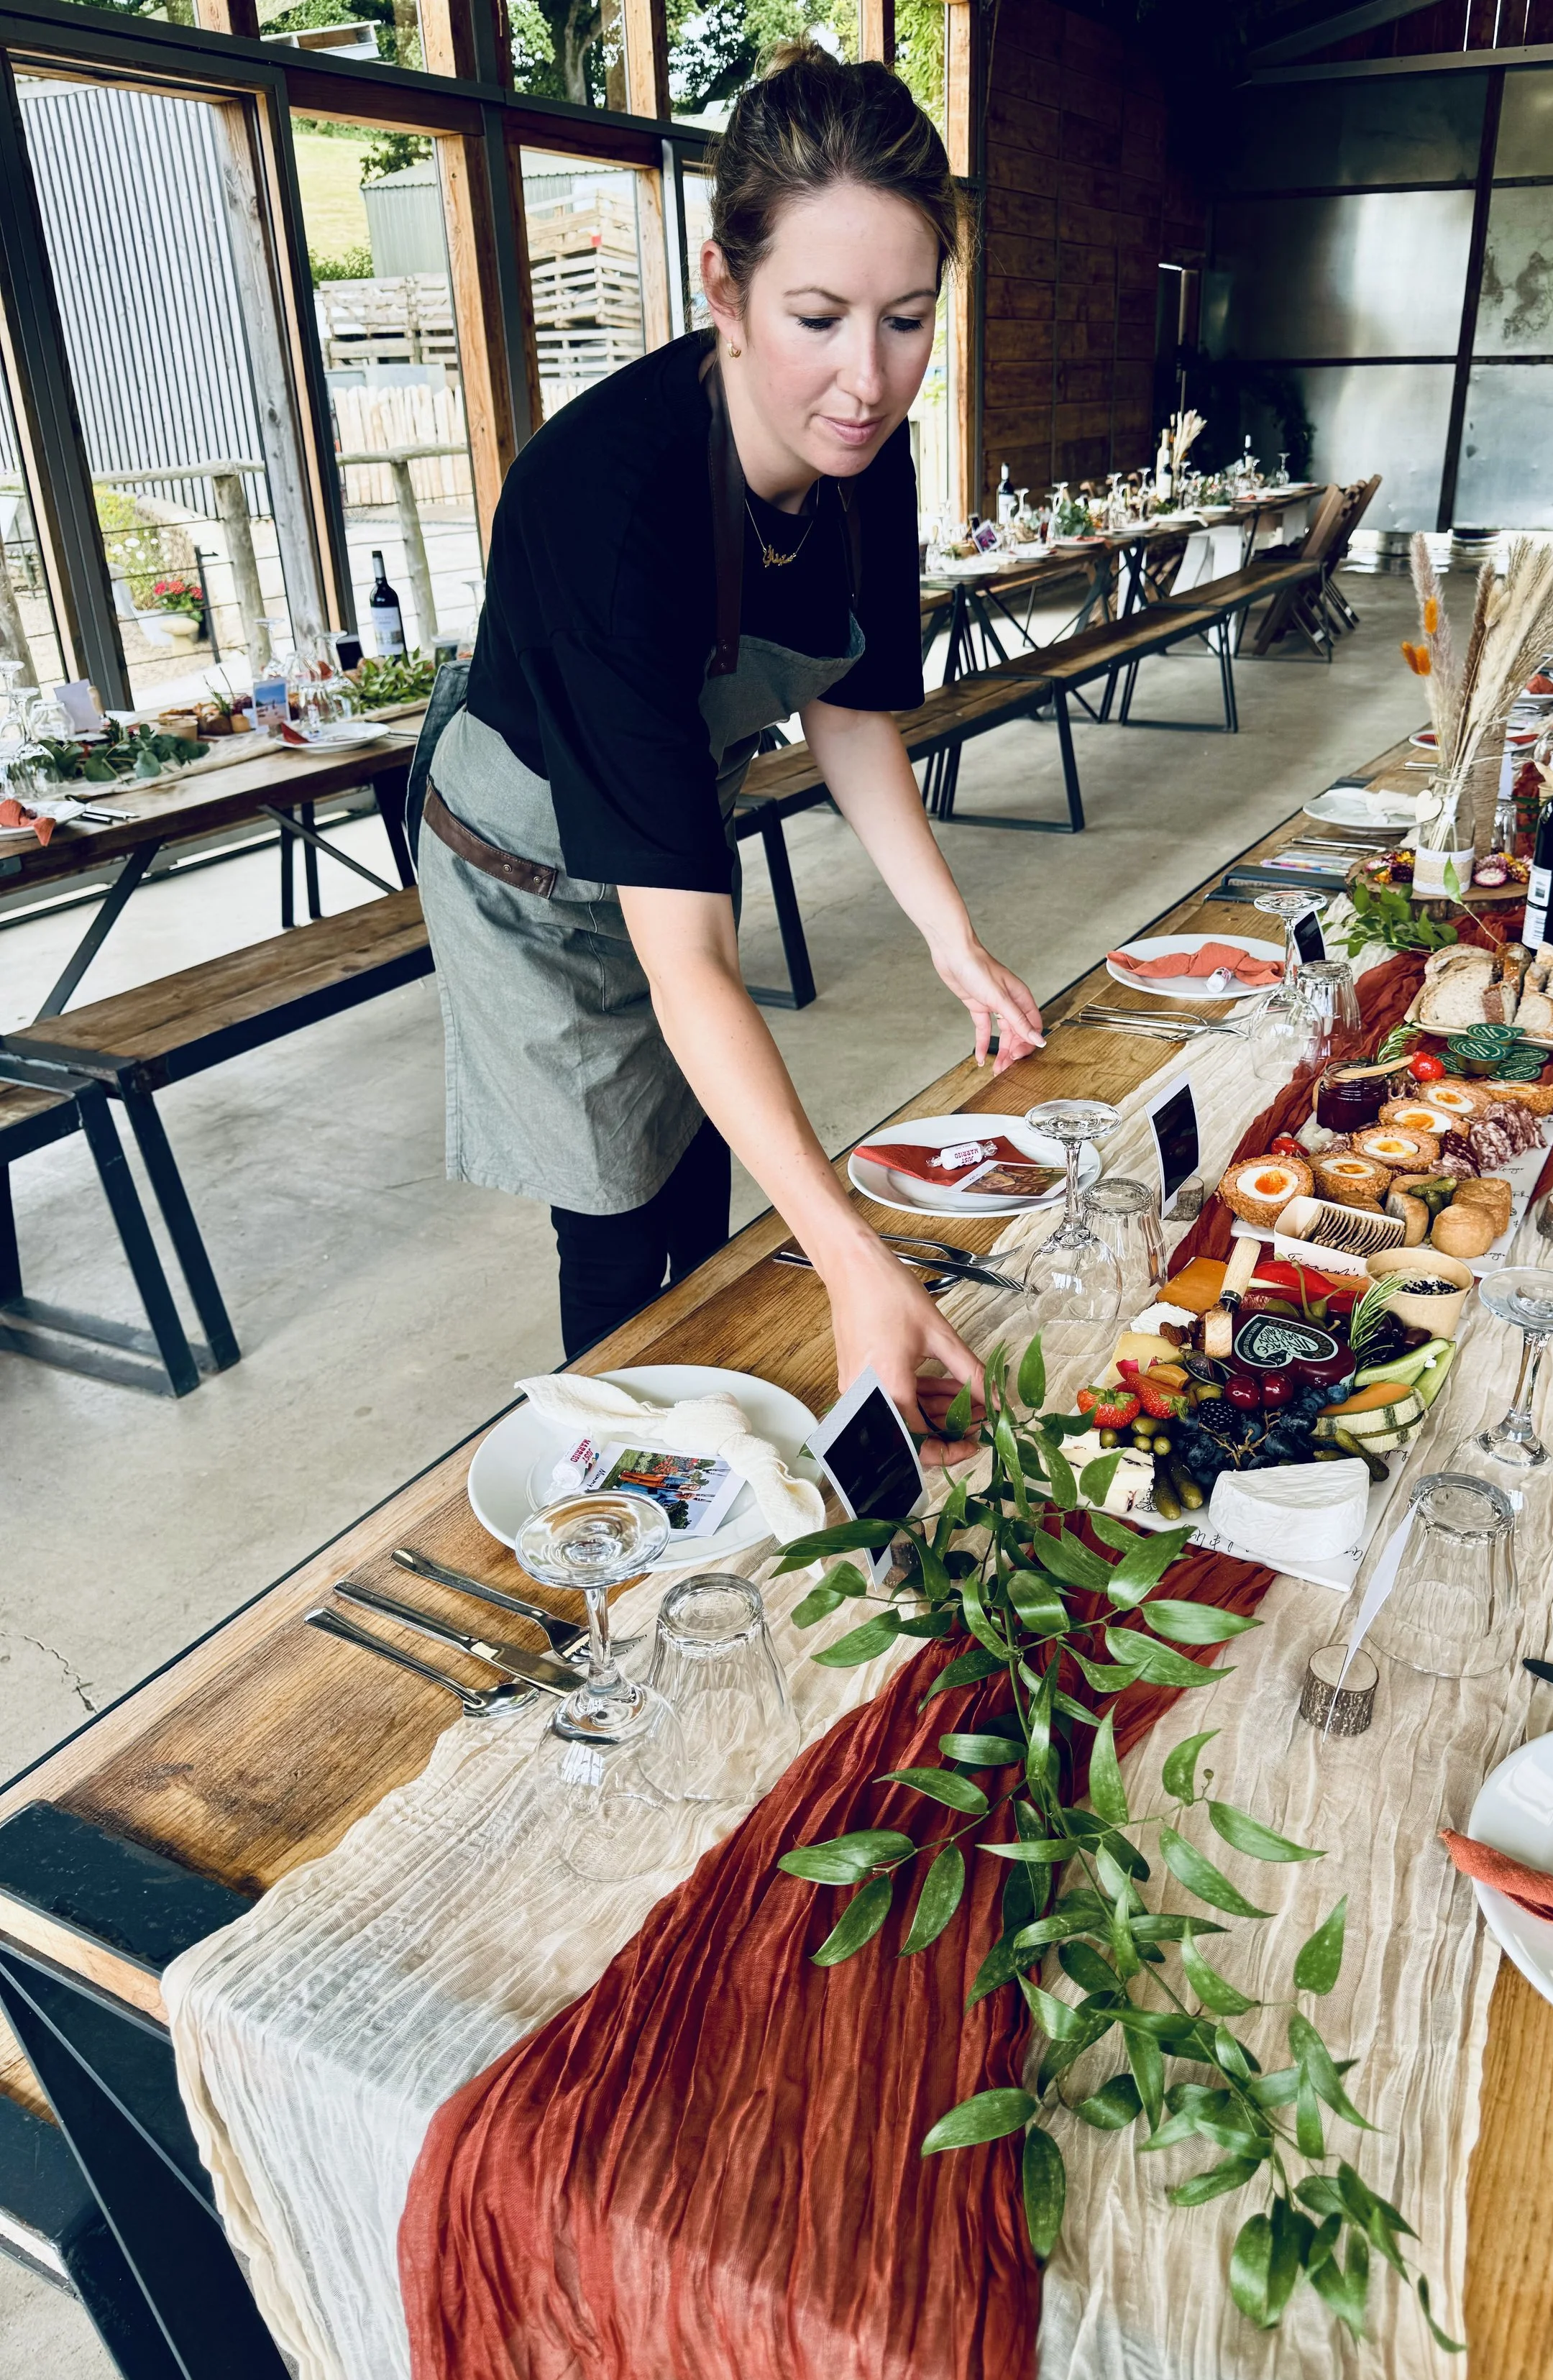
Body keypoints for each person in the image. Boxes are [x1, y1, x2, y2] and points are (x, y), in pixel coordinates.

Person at [410, 42, 1040, 1463]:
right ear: (721, 288)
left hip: (670, 812)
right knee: (615, 1195)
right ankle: (622, 1477)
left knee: (700, 1160)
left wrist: (949, 936)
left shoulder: (862, 452)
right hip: (523, 867)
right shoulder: (603, 501)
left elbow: (851, 707)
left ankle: (719, 1429)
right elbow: (681, 959)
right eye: (816, 316)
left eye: (906, 320)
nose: (865, 380)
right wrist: (855, 1254)